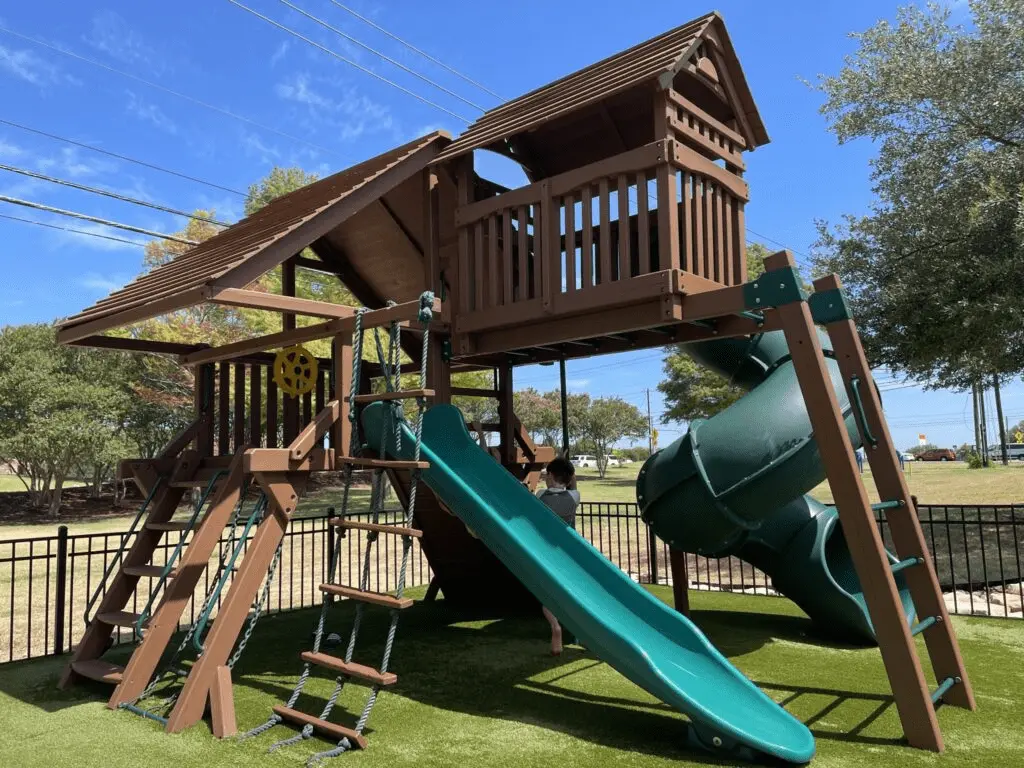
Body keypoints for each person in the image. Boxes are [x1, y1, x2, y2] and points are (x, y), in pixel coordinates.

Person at [537, 457, 580, 655]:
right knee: (568, 590)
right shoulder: (574, 497)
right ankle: (579, 630)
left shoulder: (540, 495)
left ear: (552, 476)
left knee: (547, 594)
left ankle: (555, 626)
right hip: (568, 551)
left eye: (547, 474)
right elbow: (573, 485)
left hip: (546, 550)